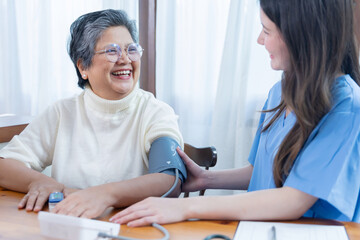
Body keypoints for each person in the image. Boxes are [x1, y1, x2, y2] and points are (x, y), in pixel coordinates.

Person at [110, 0, 360, 227]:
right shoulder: (280, 91)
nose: (260, 40)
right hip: (260, 229)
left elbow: (293, 199)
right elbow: (260, 172)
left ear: (302, 36)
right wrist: (208, 180)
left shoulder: (347, 106)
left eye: (267, 30)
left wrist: (183, 206)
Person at [0, 9, 186, 218]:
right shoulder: (62, 112)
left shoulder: (155, 112)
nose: (125, 59)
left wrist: (104, 195)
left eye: (131, 49)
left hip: (132, 228)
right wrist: (41, 181)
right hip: (71, 225)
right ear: (83, 67)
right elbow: (5, 164)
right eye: (112, 51)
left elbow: (169, 179)